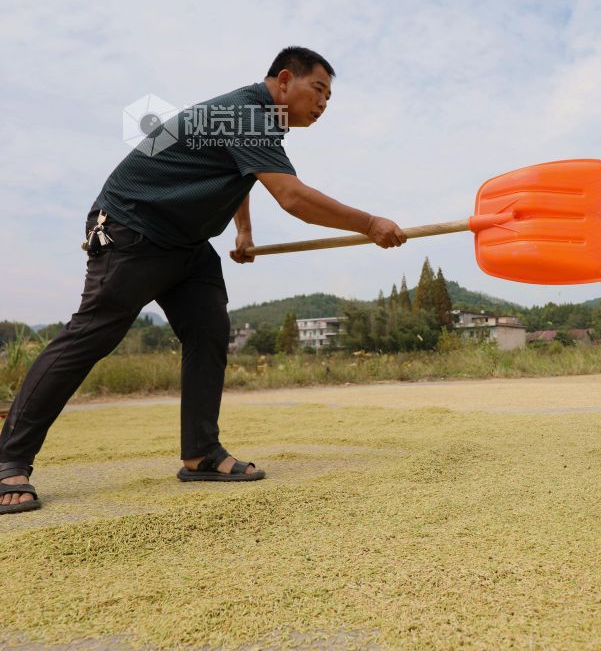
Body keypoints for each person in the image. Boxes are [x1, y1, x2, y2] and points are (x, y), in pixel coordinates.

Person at [0, 46, 407, 514]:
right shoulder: (246, 115)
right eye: (317, 90)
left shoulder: (255, 121)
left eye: (329, 99)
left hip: (187, 243)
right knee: (91, 336)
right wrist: (370, 223)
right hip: (134, 226)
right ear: (283, 81)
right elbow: (293, 198)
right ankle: (9, 460)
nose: (322, 105)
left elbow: (238, 173)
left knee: (209, 330)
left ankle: (201, 454)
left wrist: (245, 232)